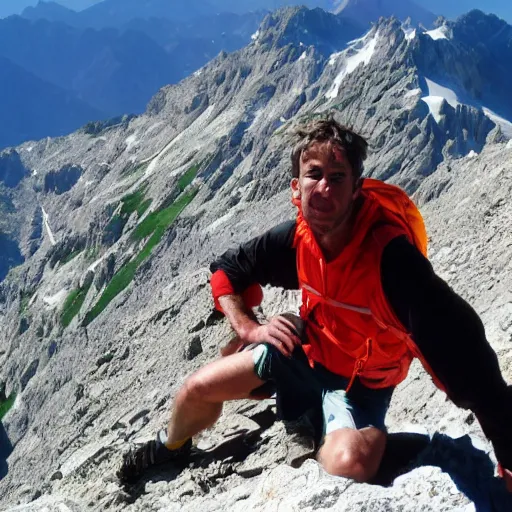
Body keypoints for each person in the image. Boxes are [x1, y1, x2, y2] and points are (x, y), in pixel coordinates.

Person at [118, 117, 512, 490]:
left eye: (337, 177)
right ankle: (170, 449)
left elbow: (470, 361)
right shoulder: (297, 240)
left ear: (357, 188)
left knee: (346, 464)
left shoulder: (390, 263)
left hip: (359, 386)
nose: (324, 188)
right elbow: (226, 271)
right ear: (297, 186)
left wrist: (508, 454)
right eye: (315, 175)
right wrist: (248, 328)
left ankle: (426, 446)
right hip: (302, 351)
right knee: (193, 391)